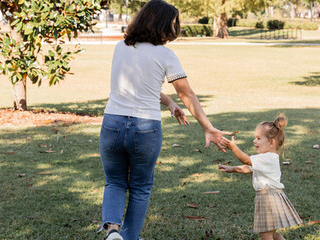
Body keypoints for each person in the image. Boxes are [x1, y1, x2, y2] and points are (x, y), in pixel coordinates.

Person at [99, 1, 231, 239]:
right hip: (145, 129)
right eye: (172, 22)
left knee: (115, 182)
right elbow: (187, 93)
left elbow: (142, 85)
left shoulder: (121, 47)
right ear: (162, 24)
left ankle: (112, 231)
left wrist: (169, 103)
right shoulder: (165, 55)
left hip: (113, 124)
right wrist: (208, 127)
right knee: (140, 188)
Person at [217, 115, 302, 240]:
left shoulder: (267, 158)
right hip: (270, 197)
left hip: (268, 199)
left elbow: (246, 160)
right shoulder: (267, 158)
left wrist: (234, 148)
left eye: (258, 138)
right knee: (272, 234)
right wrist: (232, 169)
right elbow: (249, 168)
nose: (254, 141)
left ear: (271, 143)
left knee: (266, 235)